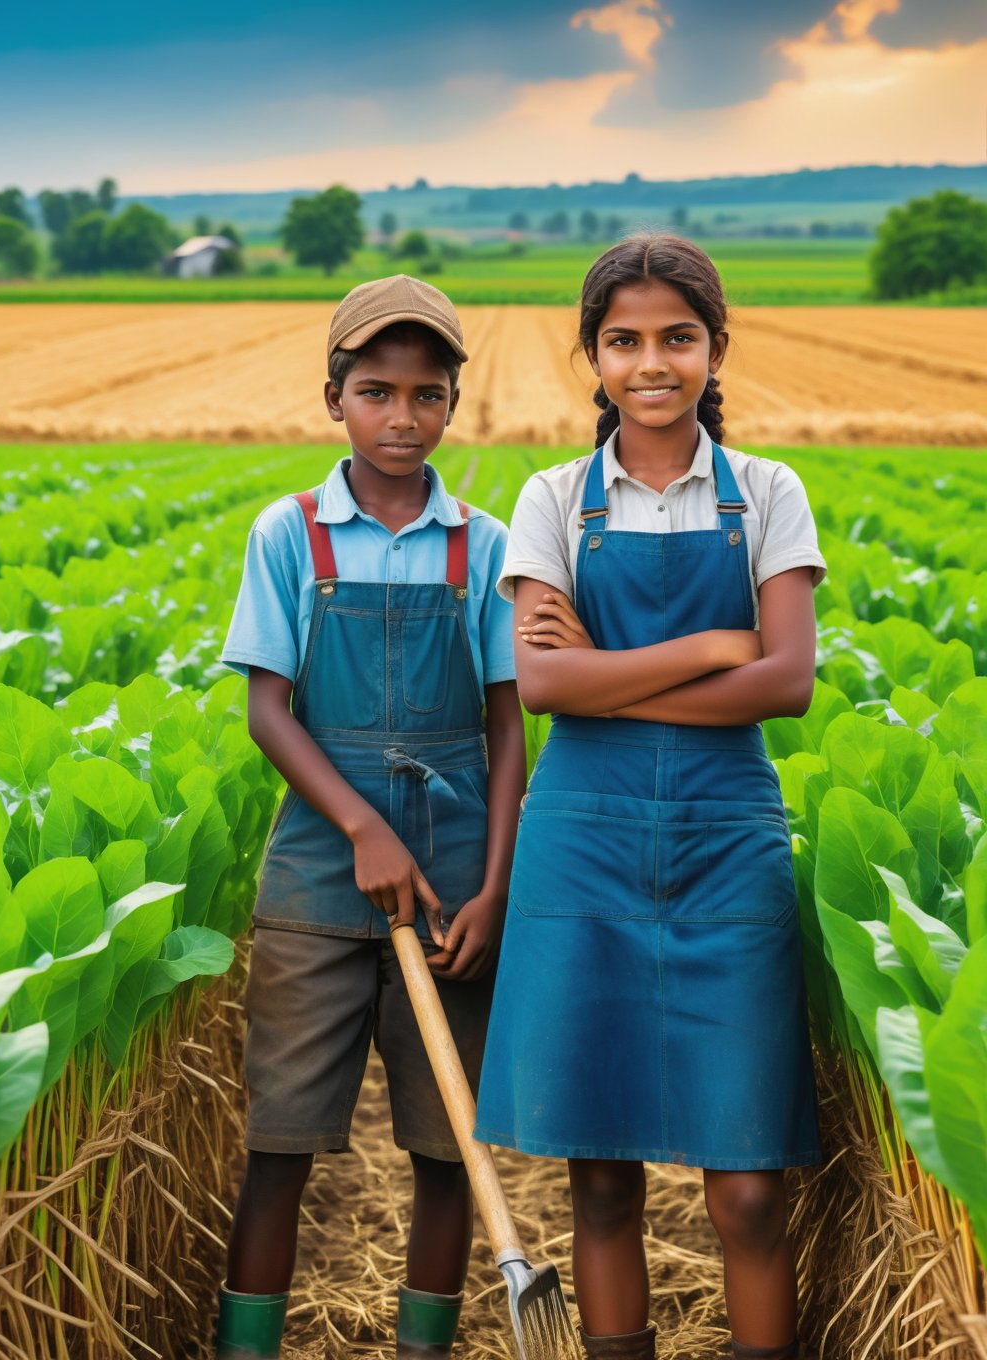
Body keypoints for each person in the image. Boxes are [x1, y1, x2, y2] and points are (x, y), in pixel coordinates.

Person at [474, 234, 825, 1360]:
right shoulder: (551, 497)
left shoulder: (768, 491)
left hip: (731, 846)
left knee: (747, 1194)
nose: (651, 361)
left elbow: (787, 683)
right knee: (603, 1181)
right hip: (581, 849)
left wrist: (612, 683)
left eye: (676, 336)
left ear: (715, 347)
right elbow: (539, 683)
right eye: (623, 340)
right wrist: (715, 645)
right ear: (592, 355)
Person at [216, 275, 525, 1359]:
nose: (403, 418)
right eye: (377, 392)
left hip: (452, 875)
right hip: (316, 867)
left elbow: (507, 729)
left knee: (451, 1149)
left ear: (451, 405)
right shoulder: (289, 532)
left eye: (427, 395)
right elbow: (268, 708)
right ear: (333, 398)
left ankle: (421, 1346)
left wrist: (493, 887)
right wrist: (361, 826)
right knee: (279, 1140)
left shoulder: (479, 543)